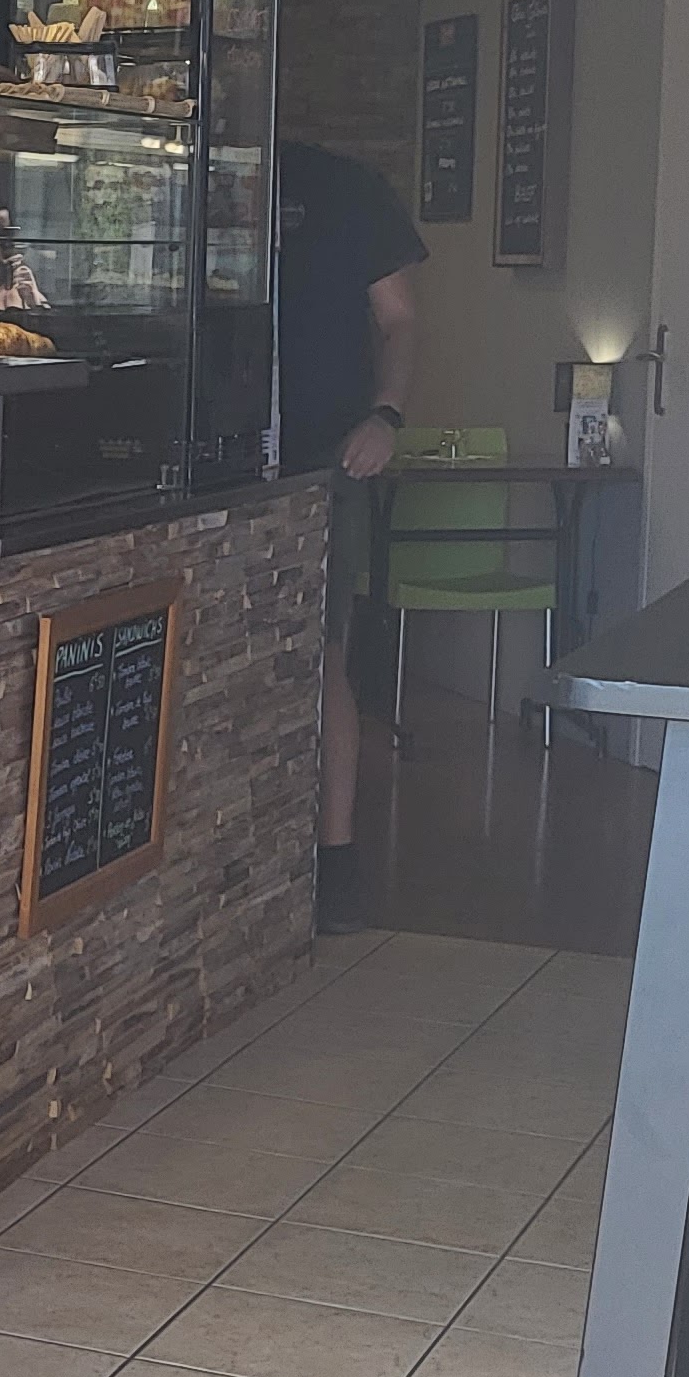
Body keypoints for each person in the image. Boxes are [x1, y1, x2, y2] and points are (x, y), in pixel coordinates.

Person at [276, 137, 424, 934]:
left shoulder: (345, 185)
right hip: (205, 451)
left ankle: (336, 858)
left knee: (324, 651)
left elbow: (399, 320)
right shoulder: (194, 163)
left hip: (325, 452)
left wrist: (385, 416)